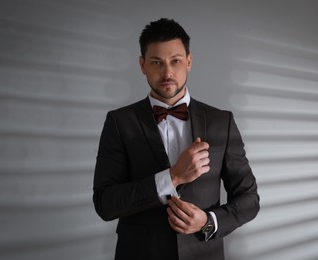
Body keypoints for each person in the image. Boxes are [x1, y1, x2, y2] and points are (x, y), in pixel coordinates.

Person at [93, 18, 259, 260]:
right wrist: (173, 177)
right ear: (142, 65)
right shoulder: (119, 122)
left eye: (176, 61)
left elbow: (249, 199)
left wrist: (207, 222)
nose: (167, 72)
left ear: (189, 62)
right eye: (156, 62)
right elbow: (105, 203)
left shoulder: (221, 122)